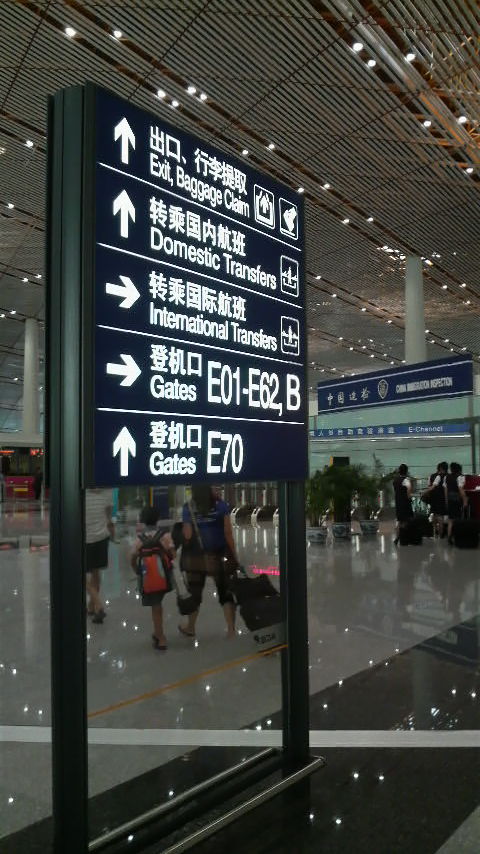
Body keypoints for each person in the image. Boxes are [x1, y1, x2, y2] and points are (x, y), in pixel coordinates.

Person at [179, 484, 239, 639]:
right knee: (225, 592)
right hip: (219, 555)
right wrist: (234, 554)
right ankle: (231, 630)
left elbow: (187, 535)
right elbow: (228, 533)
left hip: (197, 558)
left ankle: (191, 627)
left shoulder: (189, 507)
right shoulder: (221, 505)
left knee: (195, 592)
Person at [131, 506, 174, 651]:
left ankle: (160, 637)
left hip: (148, 577)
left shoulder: (139, 539)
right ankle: (158, 633)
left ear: (142, 520)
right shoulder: (165, 535)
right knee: (157, 605)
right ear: (158, 519)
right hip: (163, 577)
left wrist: (137, 571)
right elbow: (173, 553)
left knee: (156, 607)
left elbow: (132, 557)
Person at [85, 488, 114, 623]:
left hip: (85, 537)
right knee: (96, 572)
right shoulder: (107, 491)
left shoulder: (83, 490)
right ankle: (92, 607)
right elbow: (108, 516)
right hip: (102, 537)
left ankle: (98, 604)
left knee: (81, 575)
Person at [444, 462, 468, 545]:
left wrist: (446, 501)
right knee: (458, 519)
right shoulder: (460, 477)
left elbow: (446, 490)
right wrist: (465, 499)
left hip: (450, 499)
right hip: (457, 499)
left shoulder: (447, 477)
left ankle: (449, 536)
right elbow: (460, 489)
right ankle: (458, 537)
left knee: (450, 520)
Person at [423, 461, 448, 537]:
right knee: (441, 516)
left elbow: (429, 486)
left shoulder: (432, 476)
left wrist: (426, 493)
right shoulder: (447, 476)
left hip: (433, 498)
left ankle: (434, 531)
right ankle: (441, 534)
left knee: (434, 514)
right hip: (442, 498)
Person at [393, 463, 413, 545]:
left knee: (399, 520)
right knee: (405, 521)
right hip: (405, 503)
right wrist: (409, 497)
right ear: (406, 471)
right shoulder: (406, 480)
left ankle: (397, 537)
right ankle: (403, 537)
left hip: (398, 502)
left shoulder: (395, 480)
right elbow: (409, 489)